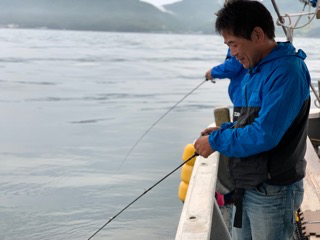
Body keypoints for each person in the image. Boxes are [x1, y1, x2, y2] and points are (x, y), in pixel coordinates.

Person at [194, 1, 311, 240]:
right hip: (247, 183)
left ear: (257, 34)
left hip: (272, 191)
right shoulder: (253, 70)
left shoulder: (287, 71)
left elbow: (264, 134)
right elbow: (249, 120)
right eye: (228, 46)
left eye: (234, 44)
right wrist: (223, 129)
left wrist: (217, 141)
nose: (233, 53)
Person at [205, 48, 247, 121]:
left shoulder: (237, 42)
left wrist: (212, 72)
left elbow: (233, 66)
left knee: (240, 128)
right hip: (248, 97)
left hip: (243, 98)